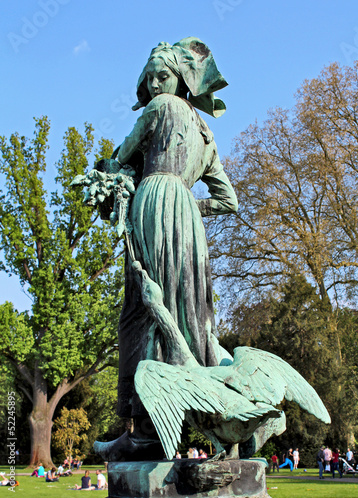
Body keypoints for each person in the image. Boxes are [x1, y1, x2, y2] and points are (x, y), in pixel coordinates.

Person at [94, 38, 237, 462]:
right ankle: (226, 420)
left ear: (181, 80)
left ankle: (143, 433)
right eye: (151, 78)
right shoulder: (206, 135)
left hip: (154, 203)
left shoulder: (160, 109)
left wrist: (111, 177)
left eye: (164, 76)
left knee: (143, 311)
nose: (156, 85)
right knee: (192, 315)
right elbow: (228, 199)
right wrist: (190, 203)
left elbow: (121, 155)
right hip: (187, 222)